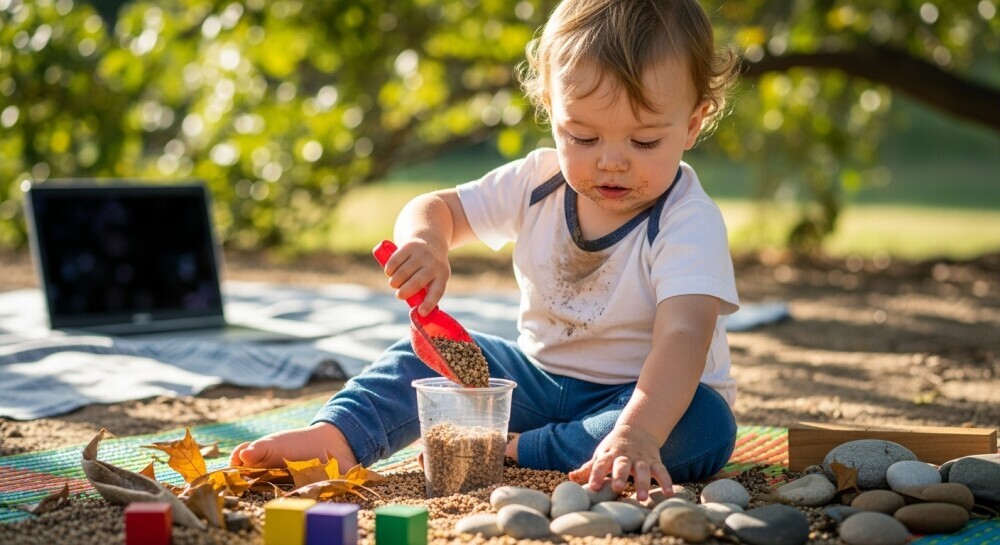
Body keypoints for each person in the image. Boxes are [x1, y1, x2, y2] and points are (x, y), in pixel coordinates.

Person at [231, 0, 740, 501]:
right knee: (430, 357)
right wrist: (427, 241)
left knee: (705, 423)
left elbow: (683, 335)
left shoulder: (687, 220)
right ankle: (338, 438)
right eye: (582, 136)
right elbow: (438, 207)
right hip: (535, 384)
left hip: (637, 397)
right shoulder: (537, 181)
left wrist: (639, 431)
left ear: (693, 123)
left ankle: (521, 450)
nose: (611, 162)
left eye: (644, 142)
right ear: (550, 108)